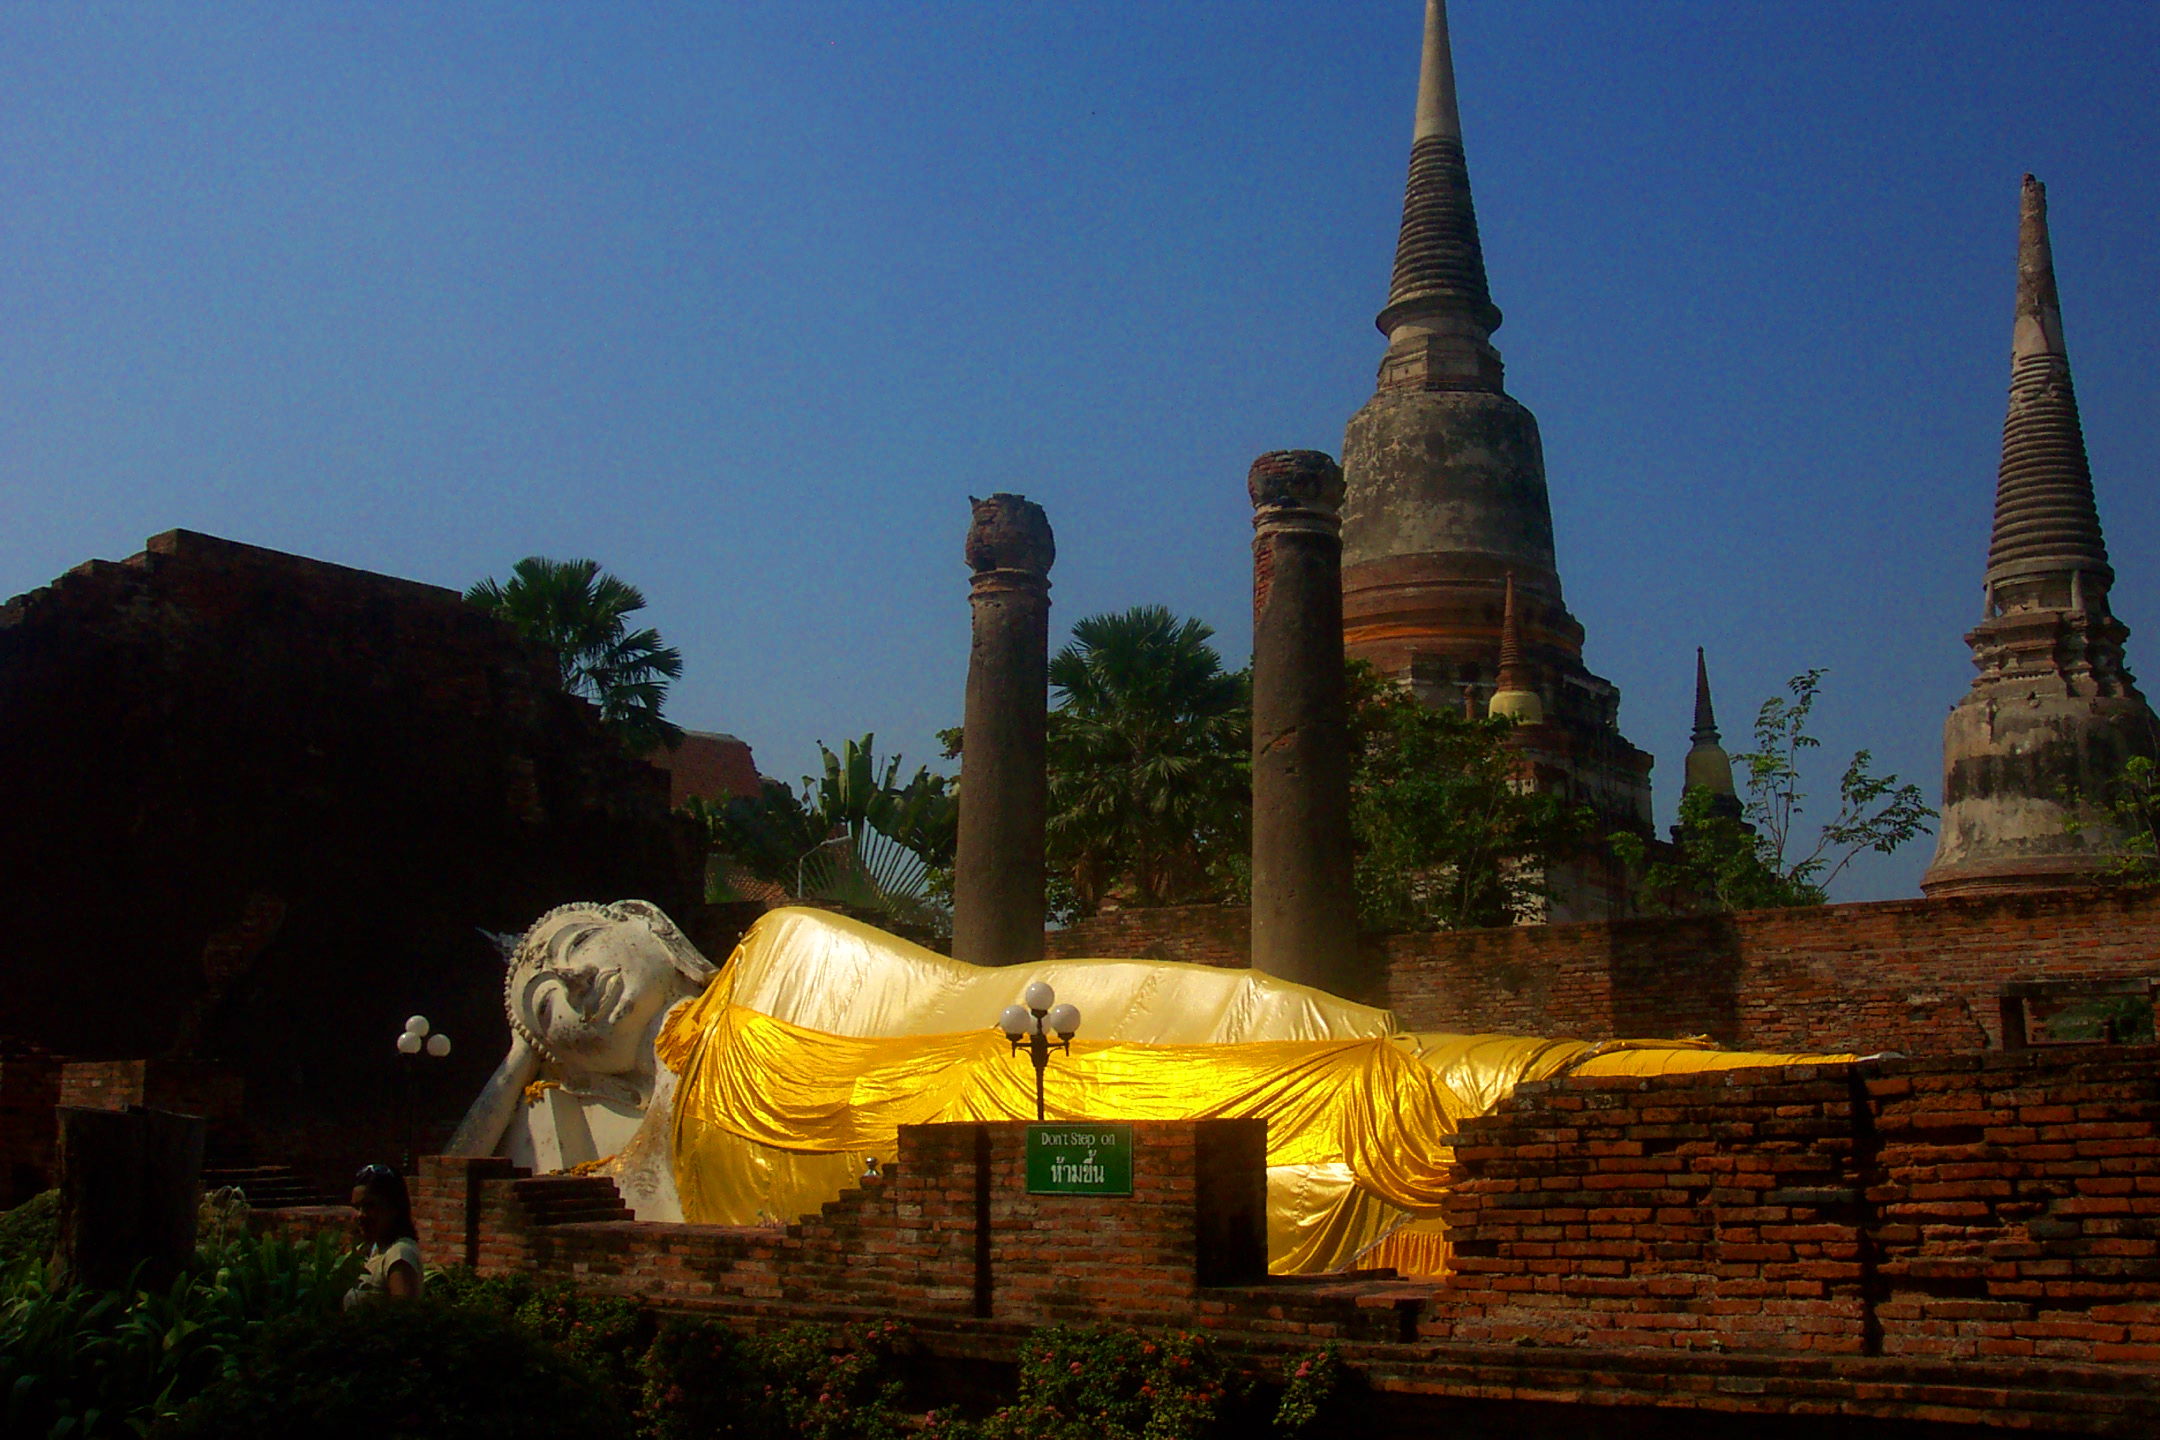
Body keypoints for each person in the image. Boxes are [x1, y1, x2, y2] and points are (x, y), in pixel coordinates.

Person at [345, 1163, 423, 1307]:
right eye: (357, 1207)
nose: (361, 1215)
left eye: (370, 1206)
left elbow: (403, 1318)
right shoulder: (377, 1250)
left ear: (394, 1208)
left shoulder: (400, 1254)